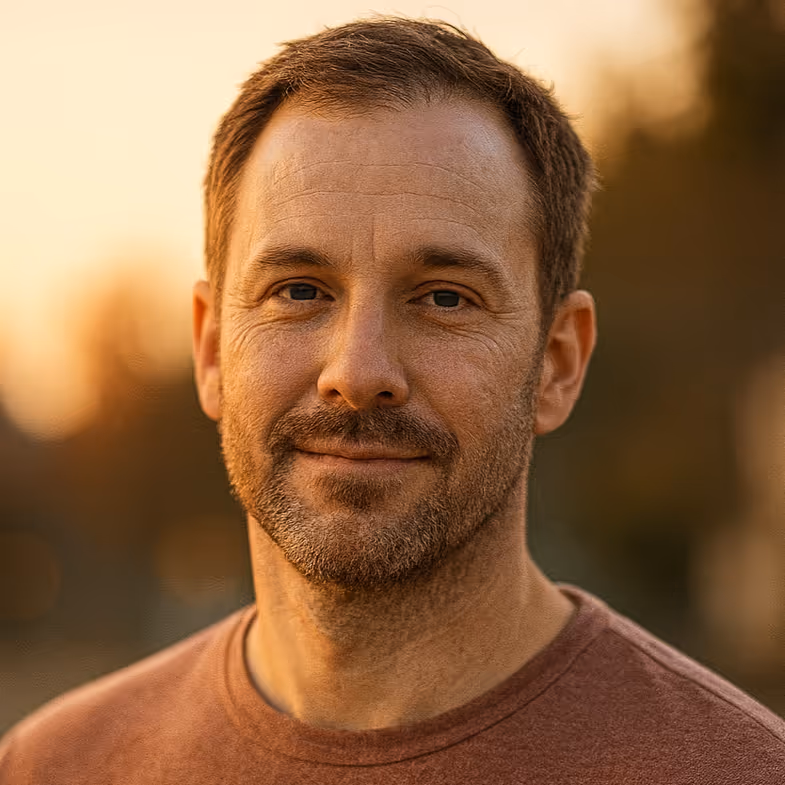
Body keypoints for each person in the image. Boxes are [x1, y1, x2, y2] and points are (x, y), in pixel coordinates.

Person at [1, 16, 783, 784]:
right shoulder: (53, 764)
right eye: (298, 290)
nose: (358, 369)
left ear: (557, 362)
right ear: (210, 349)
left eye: (443, 298)